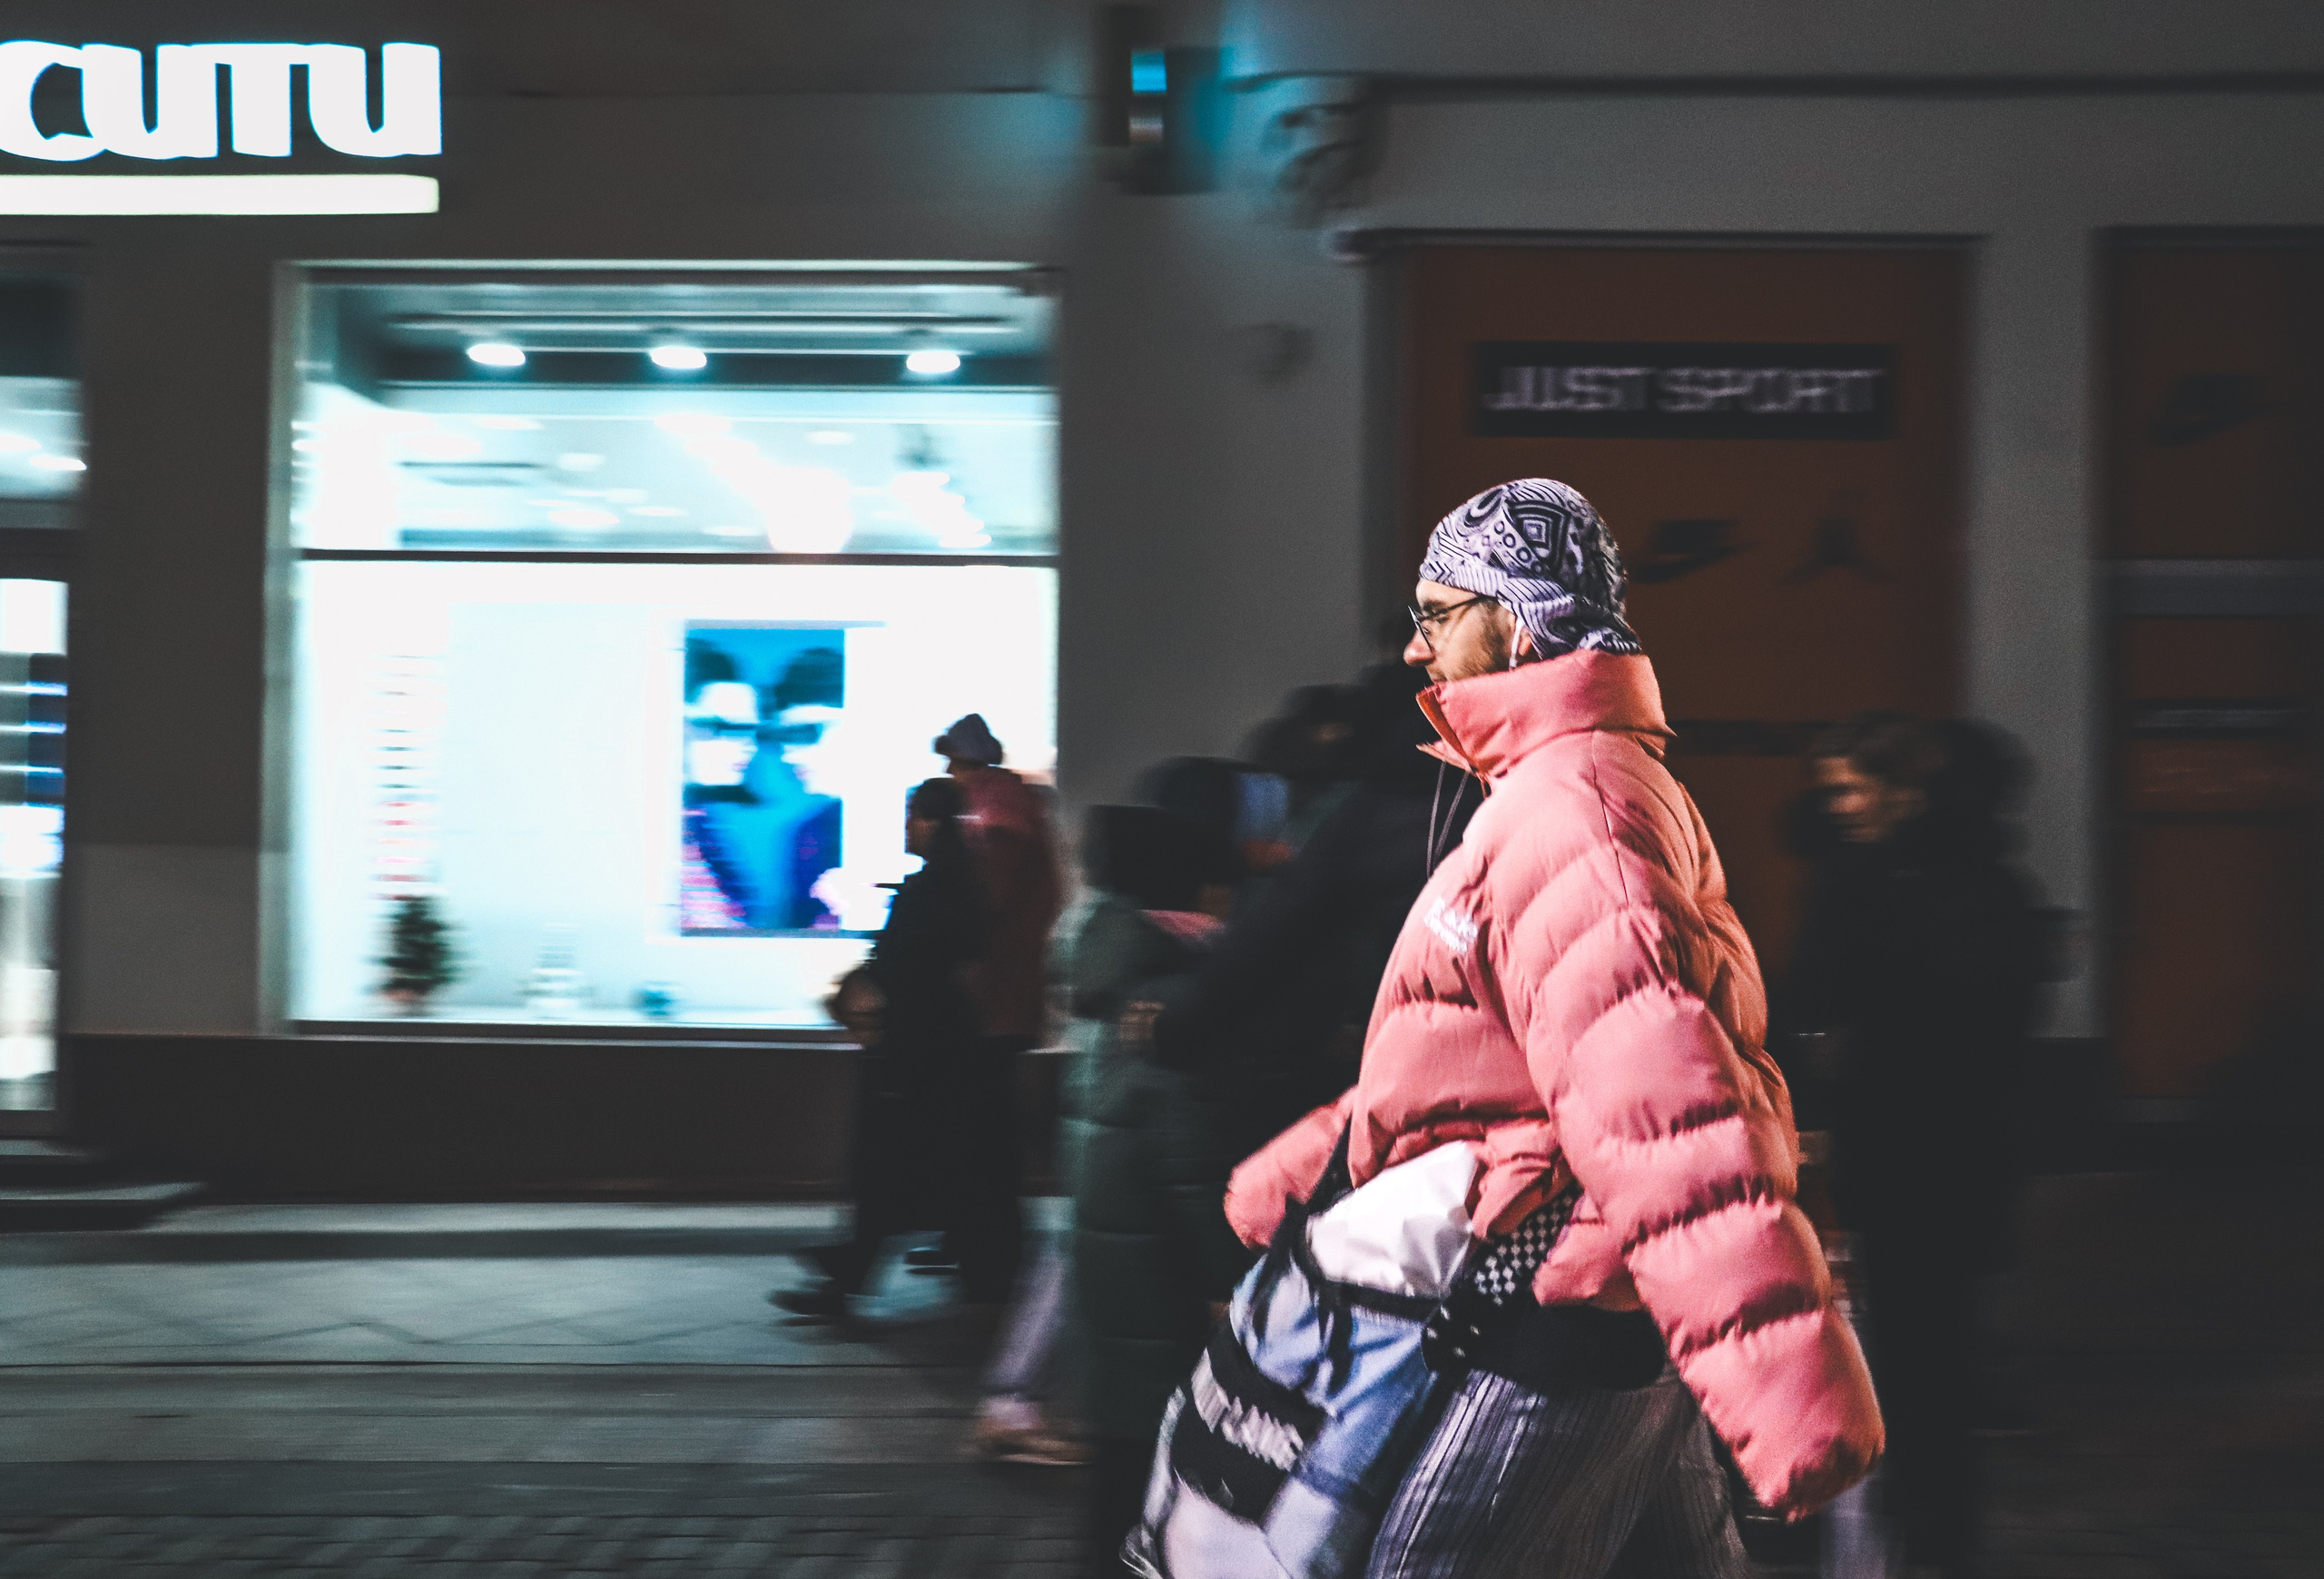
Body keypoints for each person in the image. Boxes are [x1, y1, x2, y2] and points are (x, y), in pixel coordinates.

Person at [1226, 479, 1884, 1579]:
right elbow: (1497, 1057)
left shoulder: (1569, 807)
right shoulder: (1563, 789)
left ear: (1519, 620)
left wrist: (1787, 1391)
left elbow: (1661, 1096)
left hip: (1555, 1311)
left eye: (1437, 614)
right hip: (1590, 1281)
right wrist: (1299, 1171)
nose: (1412, 648)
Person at [1784, 711, 2046, 1579]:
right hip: (1944, 1163)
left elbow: (1827, 997)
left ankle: (1903, 1542)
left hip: (1913, 1160)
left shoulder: (1896, 883)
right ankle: (1920, 1541)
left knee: (1909, 1371)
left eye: (1855, 788)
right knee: (1926, 1366)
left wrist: (1838, 1073)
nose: (1844, 805)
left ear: (1905, 789)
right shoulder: (1979, 879)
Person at [1058, 804, 1251, 1569]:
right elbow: (1190, 1165)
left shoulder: (1109, 979)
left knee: (1114, 1486)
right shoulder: (1170, 995)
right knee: (1157, 1493)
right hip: (1162, 1294)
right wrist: (1224, 1279)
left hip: (1113, 1282)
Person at [776, 777, 989, 1318]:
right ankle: (852, 1268)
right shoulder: (954, 888)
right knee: (905, 1169)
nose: (906, 827)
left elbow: (905, 968)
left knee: (885, 1166)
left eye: (913, 816)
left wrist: (867, 991)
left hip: (912, 1050)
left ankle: (849, 1272)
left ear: (935, 823)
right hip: (930, 1048)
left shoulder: (932, 892)